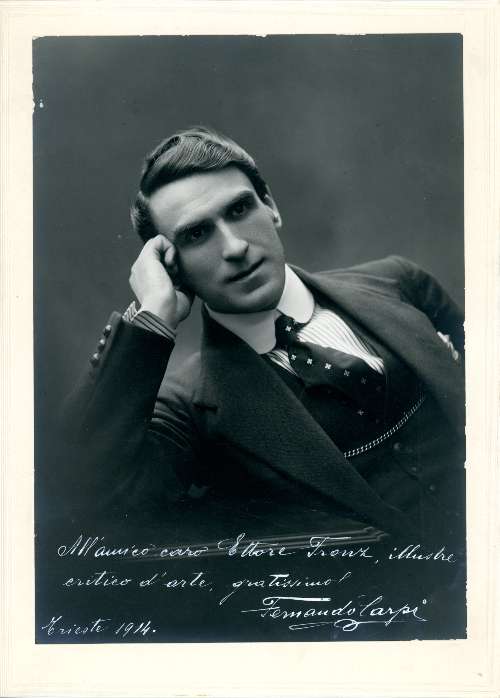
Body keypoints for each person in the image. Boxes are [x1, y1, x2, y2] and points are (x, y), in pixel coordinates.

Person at [61, 127, 465, 547]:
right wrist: (151, 318)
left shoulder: (400, 283)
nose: (234, 247)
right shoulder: (187, 406)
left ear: (270, 205)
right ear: (171, 265)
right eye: (197, 234)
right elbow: (88, 502)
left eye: (239, 210)